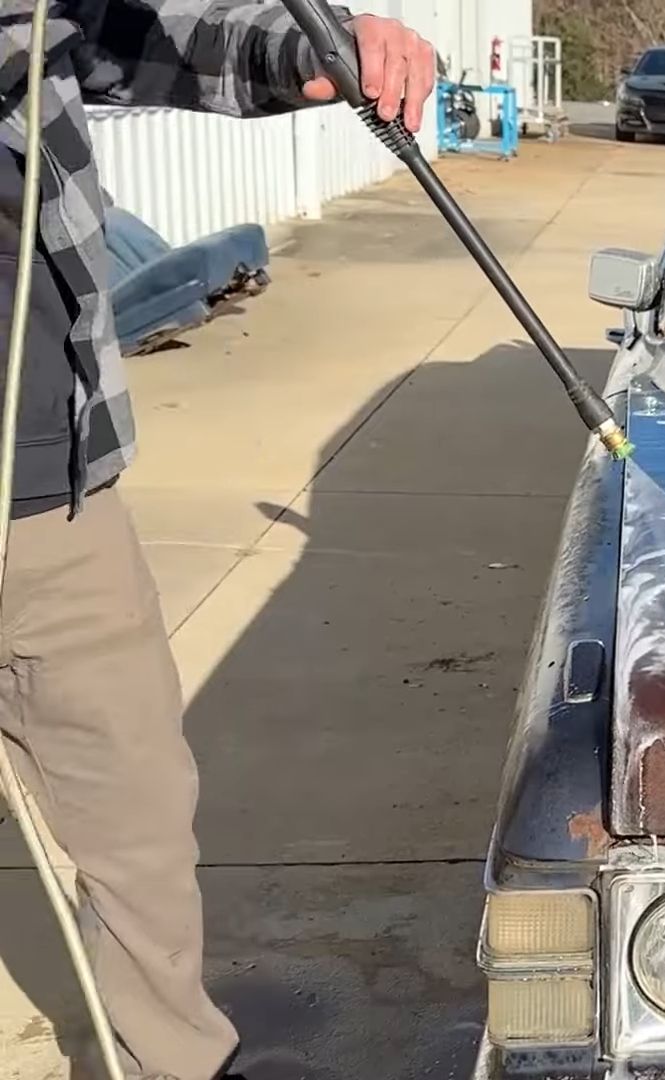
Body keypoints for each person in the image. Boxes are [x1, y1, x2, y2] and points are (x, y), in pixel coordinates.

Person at [0, 3, 436, 1077]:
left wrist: (316, 52)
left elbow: (158, 35)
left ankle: (178, 1063)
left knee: (141, 826)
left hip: (53, 497)